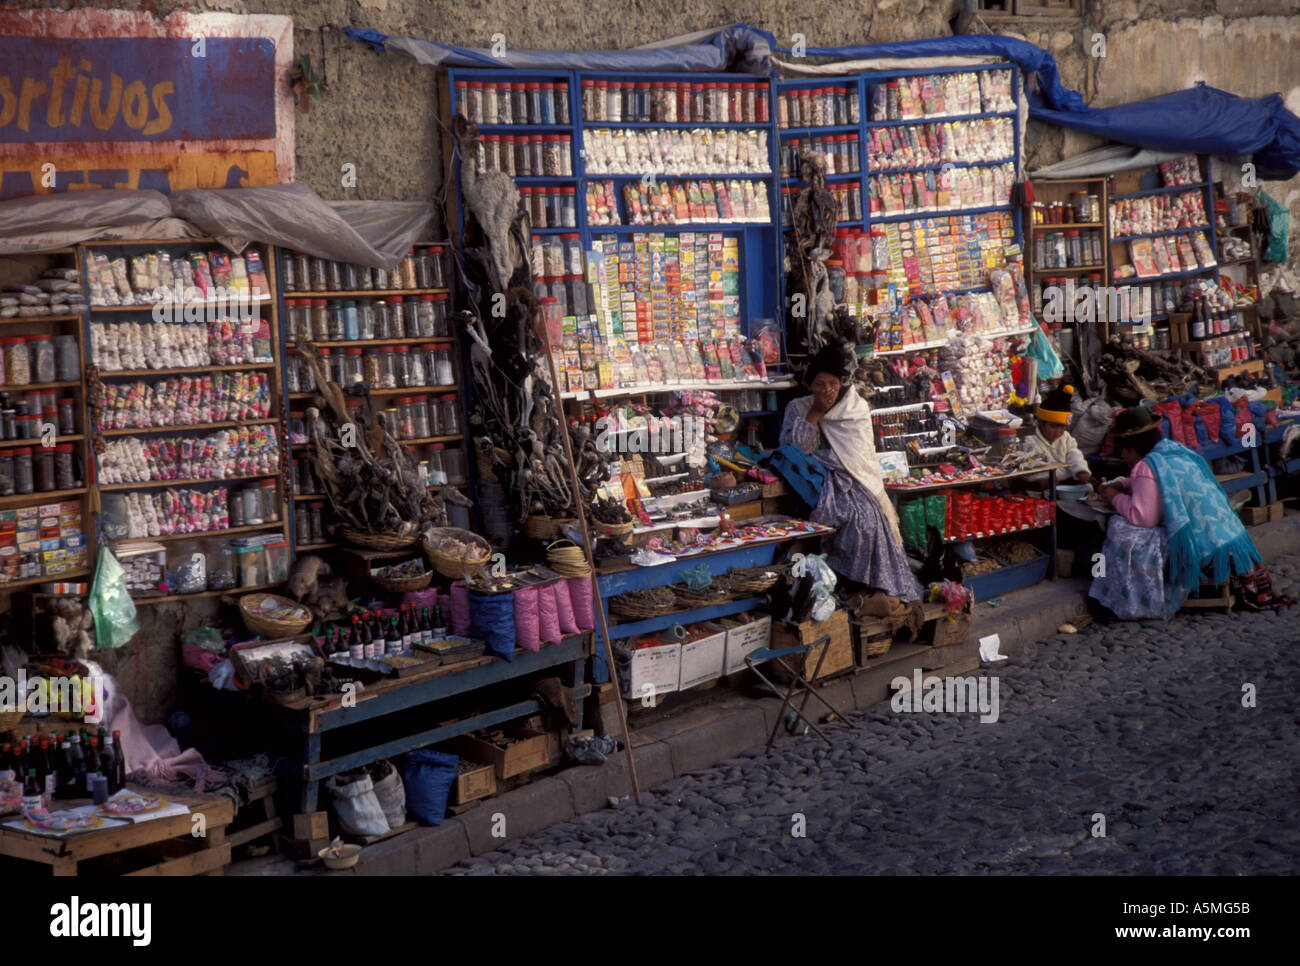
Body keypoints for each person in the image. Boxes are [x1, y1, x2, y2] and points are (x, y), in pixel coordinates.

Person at [780, 343, 922, 602]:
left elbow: (860, 457)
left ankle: (868, 587)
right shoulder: (797, 409)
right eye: (820, 384)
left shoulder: (854, 407)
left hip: (855, 480)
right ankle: (843, 585)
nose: (828, 391)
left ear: (841, 383)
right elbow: (795, 451)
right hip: (816, 481)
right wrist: (815, 412)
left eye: (833, 384)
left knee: (867, 522)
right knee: (843, 519)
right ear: (810, 386)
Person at [1089, 406, 1261, 620]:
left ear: (1132, 447)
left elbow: (1143, 517)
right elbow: (1153, 486)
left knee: (1119, 528)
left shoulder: (1146, 467)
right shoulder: (1174, 451)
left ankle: (1122, 597)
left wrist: (1114, 498)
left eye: (1123, 450)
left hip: (1201, 551)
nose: (1122, 456)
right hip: (1226, 540)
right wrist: (1124, 485)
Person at [1020, 384, 1093, 486]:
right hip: (1040, 486)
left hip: (1064, 484)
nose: (1058, 432)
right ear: (1041, 423)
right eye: (1053, 427)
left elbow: (1074, 455)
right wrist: (1038, 481)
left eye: (1063, 427)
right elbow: (1028, 468)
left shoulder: (1066, 437)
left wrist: (1082, 472)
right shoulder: (1029, 440)